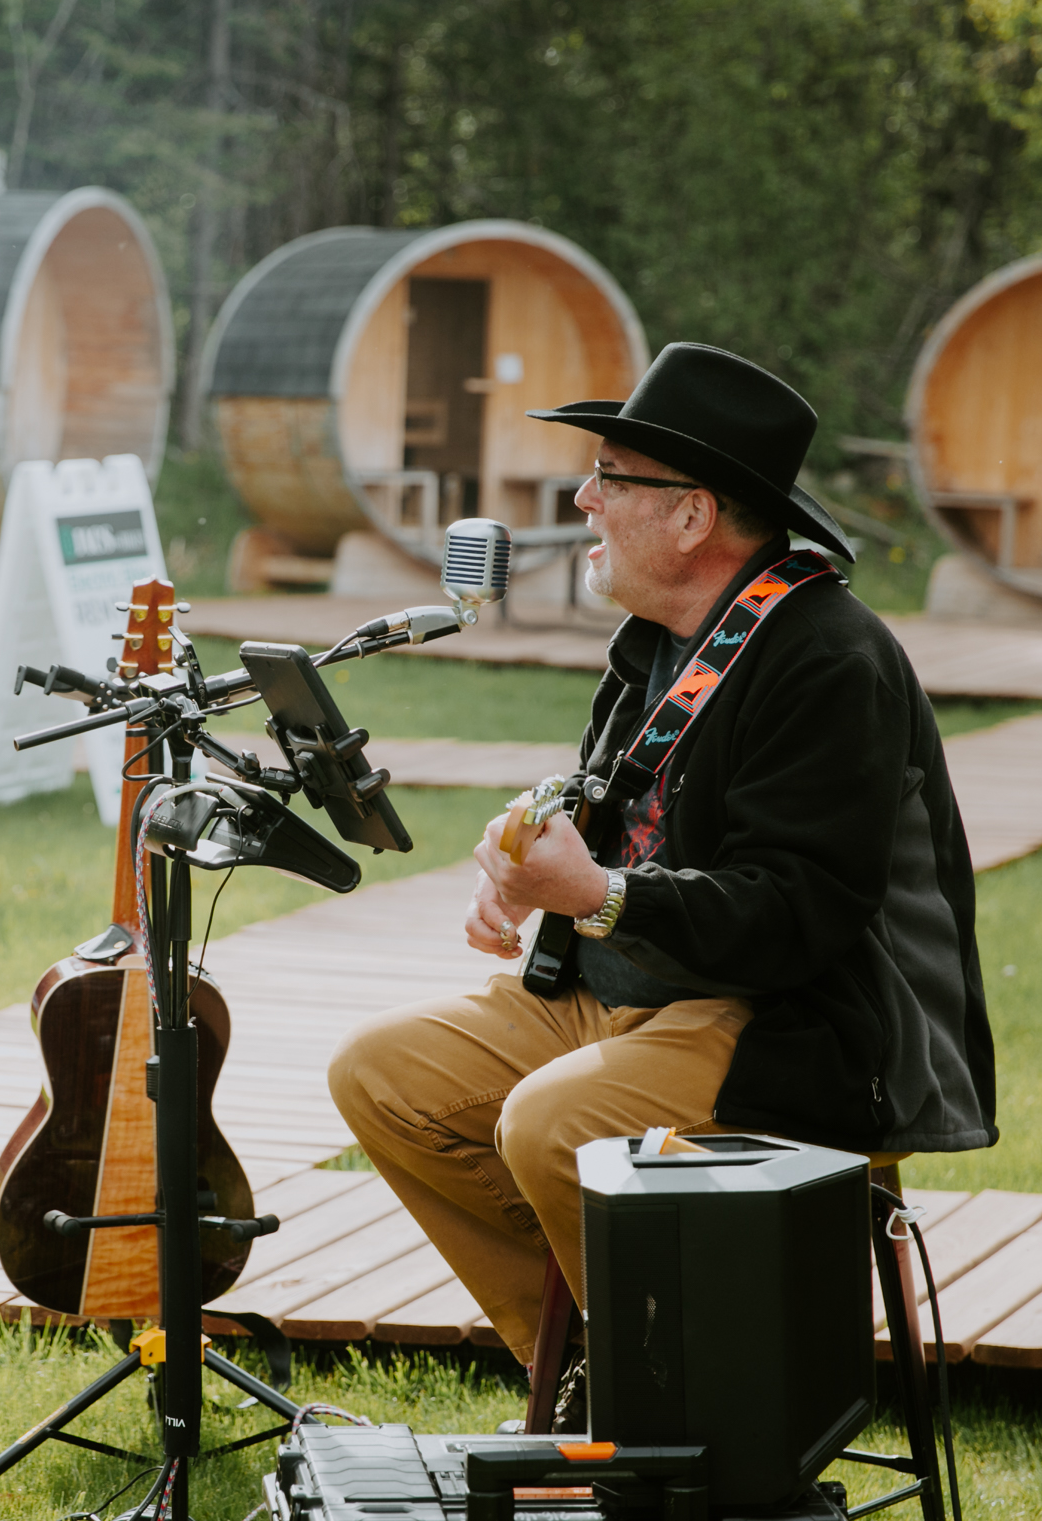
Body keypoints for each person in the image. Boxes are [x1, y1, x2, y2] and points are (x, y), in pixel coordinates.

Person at [327, 343, 997, 1374]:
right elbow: (618, 805)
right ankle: (621, 1363)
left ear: (690, 517)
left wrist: (592, 893)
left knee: (550, 1122)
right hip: (624, 991)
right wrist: (520, 862)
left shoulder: (827, 657)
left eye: (611, 476)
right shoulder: (656, 635)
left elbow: (795, 913)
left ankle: (701, 1411)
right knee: (378, 1071)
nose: (583, 496)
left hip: (789, 1018)